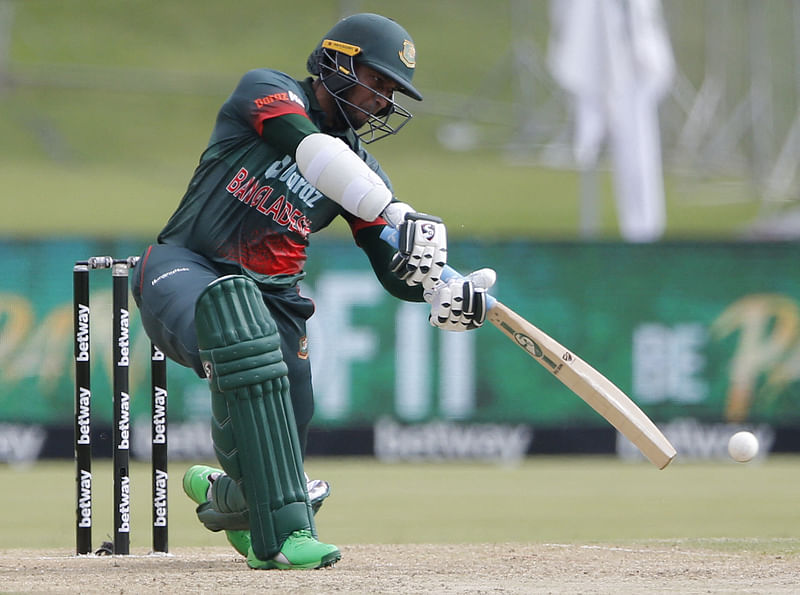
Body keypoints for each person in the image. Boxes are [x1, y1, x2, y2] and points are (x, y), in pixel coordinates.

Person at [131, 12, 495, 571]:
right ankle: (288, 530)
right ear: (335, 62)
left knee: (275, 441)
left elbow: (391, 267)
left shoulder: (366, 174)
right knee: (239, 334)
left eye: (392, 92)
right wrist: (394, 210)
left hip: (278, 304)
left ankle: (234, 502)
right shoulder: (267, 91)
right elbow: (311, 152)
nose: (382, 101)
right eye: (377, 81)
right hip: (186, 268)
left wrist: (436, 289)